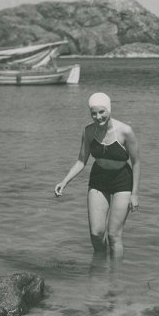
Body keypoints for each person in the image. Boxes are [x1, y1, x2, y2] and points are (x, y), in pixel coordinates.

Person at [54, 92, 140, 259]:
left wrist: (135, 194)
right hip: (98, 178)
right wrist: (64, 182)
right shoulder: (88, 132)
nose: (98, 117)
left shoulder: (125, 131)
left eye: (102, 112)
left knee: (114, 235)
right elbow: (81, 161)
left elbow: (136, 163)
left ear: (109, 110)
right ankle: (100, 271)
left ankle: (114, 279)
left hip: (122, 180)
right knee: (96, 234)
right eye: (93, 113)